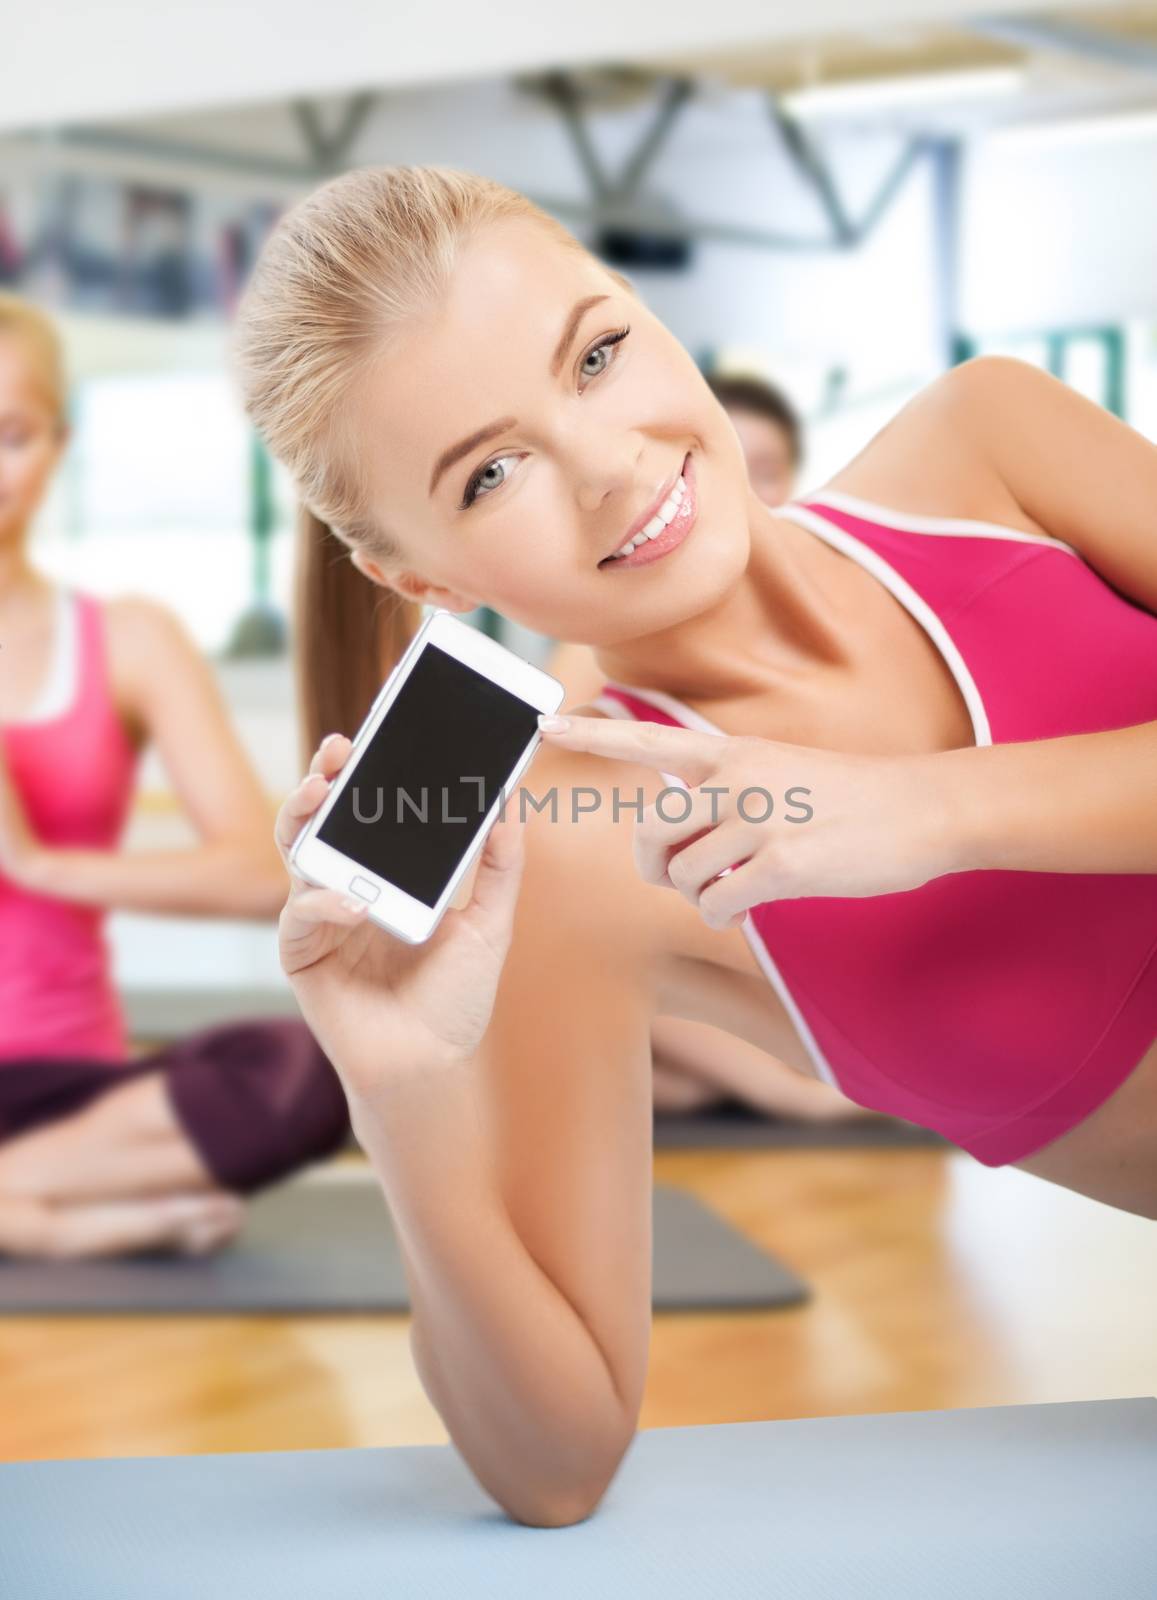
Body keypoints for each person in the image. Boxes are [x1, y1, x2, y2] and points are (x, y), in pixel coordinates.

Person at [234, 166, 1157, 1527]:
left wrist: (926, 811)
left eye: (597, 355)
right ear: (421, 580)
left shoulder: (990, 443)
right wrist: (400, 1099)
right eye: (492, 474)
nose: (609, 465)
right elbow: (555, 1461)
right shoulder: (566, 841)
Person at [0, 293, 349, 1261]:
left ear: (59, 445)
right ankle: (32, 1219)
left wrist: (38, 863)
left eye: (11, 435)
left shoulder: (131, 640)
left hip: (61, 1085)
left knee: (310, 1067)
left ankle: (21, 1203)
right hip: (71, 1150)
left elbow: (257, 873)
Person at [546, 370, 856, 1119]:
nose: (749, 492)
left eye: (770, 472)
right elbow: (555, 810)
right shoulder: (608, 642)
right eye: (732, 467)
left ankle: (676, 1073)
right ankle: (765, 1084)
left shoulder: (827, 616)